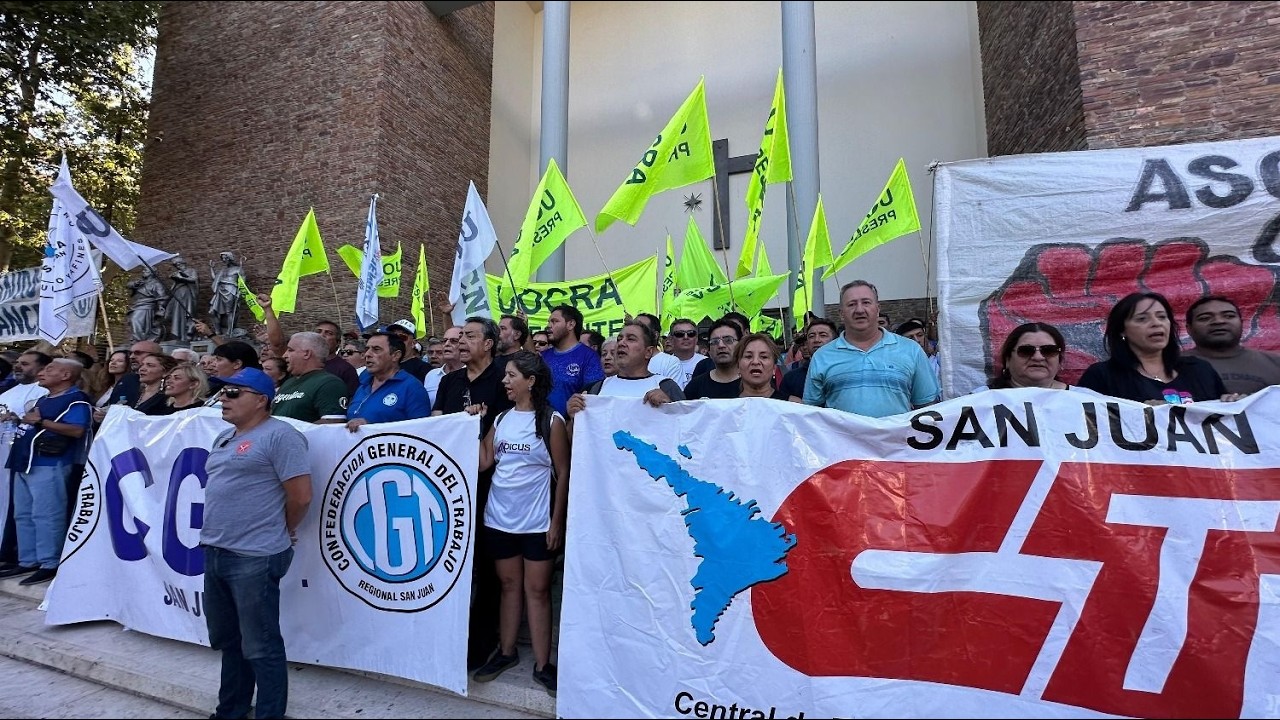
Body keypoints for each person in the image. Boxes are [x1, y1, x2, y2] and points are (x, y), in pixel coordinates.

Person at [201, 368, 311, 720]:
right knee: (230, 643)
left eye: (234, 393)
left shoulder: (281, 436)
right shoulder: (223, 437)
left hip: (255, 556)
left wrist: (282, 528)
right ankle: (230, 711)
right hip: (216, 552)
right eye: (222, 392)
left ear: (261, 399)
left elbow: (301, 496)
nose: (223, 398)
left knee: (261, 647)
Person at [470, 351, 568, 696]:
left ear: (531, 380)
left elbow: (564, 471)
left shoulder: (551, 421)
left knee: (538, 591)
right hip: (499, 519)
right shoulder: (500, 419)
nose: (505, 381)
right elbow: (483, 462)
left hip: (537, 522)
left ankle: (543, 664)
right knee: (509, 587)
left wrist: (557, 523)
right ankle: (507, 652)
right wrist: (473, 424)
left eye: (511, 375)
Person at [431, 316, 514, 671]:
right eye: (459, 336)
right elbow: (435, 423)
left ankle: (480, 644)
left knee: (486, 566)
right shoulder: (449, 381)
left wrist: (478, 428)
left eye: (470, 336)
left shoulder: (502, 380)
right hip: (449, 486)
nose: (461, 342)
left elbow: (510, 429)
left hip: (489, 486)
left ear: (490, 343)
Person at [0, 358, 92, 585]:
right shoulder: (44, 398)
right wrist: (18, 419)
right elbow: (33, 421)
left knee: (47, 514)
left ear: (66, 375)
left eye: (50, 369)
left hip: (50, 463)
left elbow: (77, 430)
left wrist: (42, 422)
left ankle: (49, 562)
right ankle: (27, 559)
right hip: (25, 461)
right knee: (22, 514)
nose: (43, 372)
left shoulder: (76, 400)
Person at [804, 280, 940, 417]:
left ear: (878, 309)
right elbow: (812, 413)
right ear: (841, 313)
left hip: (896, 438)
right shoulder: (822, 356)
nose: (859, 310)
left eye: (866, 302)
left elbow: (926, 407)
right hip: (841, 439)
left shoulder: (911, 350)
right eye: (851, 304)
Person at [1078, 292, 1234, 404]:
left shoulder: (1200, 369)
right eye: (1142, 319)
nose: (1156, 323)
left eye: (1162, 317)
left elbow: (1225, 421)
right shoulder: (1102, 376)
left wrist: (1234, 403)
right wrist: (1139, 415)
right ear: (1122, 331)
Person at [566, 320, 685, 421]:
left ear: (648, 352)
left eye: (631, 339)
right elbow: (579, 441)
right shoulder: (597, 389)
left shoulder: (666, 387)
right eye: (620, 339)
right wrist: (574, 417)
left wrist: (670, 407)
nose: (622, 343)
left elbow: (689, 434)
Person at [1184, 295, 1280, 395]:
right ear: (1189, 329)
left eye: (1229, 316)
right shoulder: (1171, 364)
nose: (1219, 321)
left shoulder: (1275, 363)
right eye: (1205, 318)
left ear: (1241, 323)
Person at [345, 332, 432, 431]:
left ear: (395, 355)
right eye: (367, 349)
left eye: (376, 349)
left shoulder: (412, 387)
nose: (367, 354)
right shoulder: (363, 385)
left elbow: (421, 431)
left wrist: (371, 426)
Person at [541, 305, 604, 416]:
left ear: (571, 324)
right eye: (549, 322)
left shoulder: (589, 357)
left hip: (572, 428)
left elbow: (592, 397)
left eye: (554, 321)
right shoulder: (542, 356)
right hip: (539, 427)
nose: (548, 326)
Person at [273, 332, 350, 423]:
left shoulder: (330, 384)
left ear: (307, 353)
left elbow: (332, 423)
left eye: (290, 350)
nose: (284, 355)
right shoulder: (288, 383)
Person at [983, 322, 1070, 390]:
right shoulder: (977, 402)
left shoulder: (1081, 400)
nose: (1038, 357)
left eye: (1049, 350)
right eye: (1026, 351)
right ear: (1008, 360)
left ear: (1059, 359)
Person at [779, 319, 837, 401]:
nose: (816, 340)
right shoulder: (791, 378)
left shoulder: (848, 371)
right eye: (811, 336)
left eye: (823, 335)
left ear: (835, 341)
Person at [683, 319, 742, 400]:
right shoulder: (696, 386)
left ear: (741, 345)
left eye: (728, 340)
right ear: (709, 351)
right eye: (714, 342)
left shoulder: (752, 383)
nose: (721, 345)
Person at [631, 313, 683, 385]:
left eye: (641, 328)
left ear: (655, 335)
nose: (634, 332)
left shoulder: (670, 362)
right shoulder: (626, 361)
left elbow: (673, 394)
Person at [737, 334, 790, 400]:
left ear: (774, 368)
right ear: (738, 366)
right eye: (748, 356)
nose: (755, 362)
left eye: (764, 357)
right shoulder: (724, 407)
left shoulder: (794, 405)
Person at [127, 267, 170, 343]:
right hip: (137, 305)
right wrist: (135, 284)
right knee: (134, 322)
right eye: (143, 270)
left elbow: (162, 297)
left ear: (151, 273)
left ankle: (139, 341)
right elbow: (129, 285)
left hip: (147, 305)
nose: (143, 271)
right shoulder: (141, 282)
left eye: (146, 270)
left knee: (136, 320)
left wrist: (161, 308)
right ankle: (138, 340)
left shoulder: (157, 284)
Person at [423, 326, 463, 408]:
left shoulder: (472, 374)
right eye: (444, 341)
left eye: (454, 341)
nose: (447, 344)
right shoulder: (431, 375)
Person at [208, 252, 244, 337]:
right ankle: (218, 332)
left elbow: (242, 283)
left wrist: (240, 292)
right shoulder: (222, 270)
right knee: (212, 312)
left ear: (230, 259)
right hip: (220, 290)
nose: (224, 260)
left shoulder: (238, 269)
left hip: (231, 290)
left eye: (226, 258)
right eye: (223, 258)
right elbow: (215, 278)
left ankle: (229, 332)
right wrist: (211, 268)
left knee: (229, 312)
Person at [166, 255, 200, 342]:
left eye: (179, 264)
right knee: (176, 314)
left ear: (183, 263)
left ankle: (186, 334)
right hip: (177, 294)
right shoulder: (176, 273)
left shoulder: (191, 270)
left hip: (187, 294)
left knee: (186, 314)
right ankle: (177, 334)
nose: (178, 266)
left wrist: (182, 278)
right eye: (176, 265)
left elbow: (194, 280)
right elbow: (173, 287)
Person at [666, 318, 707, 389]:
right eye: (680, 334)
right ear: (671, 339)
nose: (686, 337)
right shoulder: (663, 364)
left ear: (696, 338)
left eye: (691, 334)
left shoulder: (707, 363)